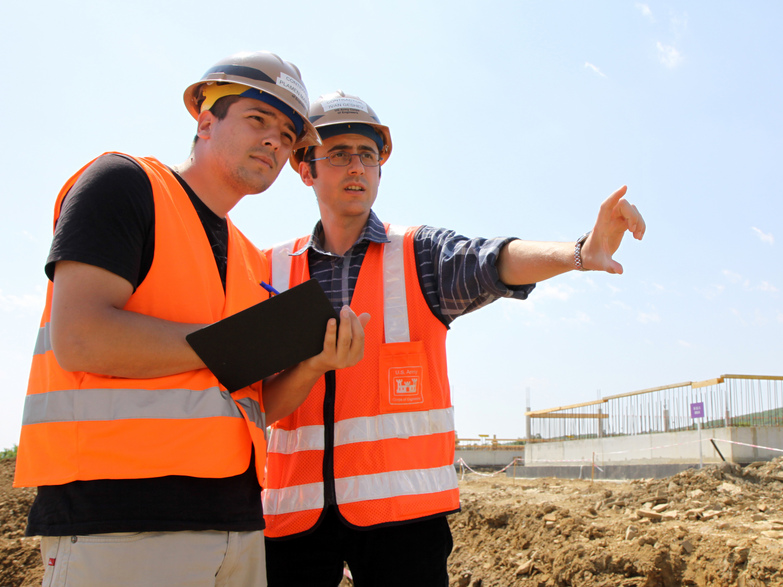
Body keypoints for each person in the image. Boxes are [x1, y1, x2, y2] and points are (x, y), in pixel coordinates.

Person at [262, 91, 646, 586]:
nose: (356, 166)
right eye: (338, 153)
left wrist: (579, 251)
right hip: (294, 518)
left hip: (403, 519)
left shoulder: (419, 255)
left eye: (368, 154)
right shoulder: (270, 270)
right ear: (306, 169)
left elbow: (493, 259)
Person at [13, 52, 369, 587]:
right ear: (205, 120)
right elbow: (81, 338)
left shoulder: (249, 261)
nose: (276, 140)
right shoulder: (125, 184)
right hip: (119, 521)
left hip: (237, 524)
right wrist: (233, 343)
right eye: (258, 119)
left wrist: (313, 364)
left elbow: (252, 405)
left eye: (289, 134)